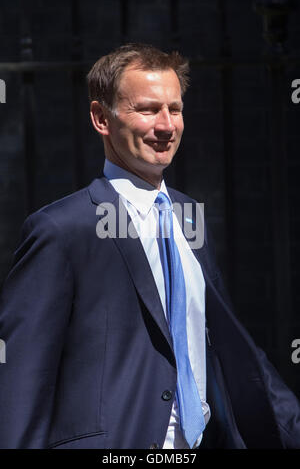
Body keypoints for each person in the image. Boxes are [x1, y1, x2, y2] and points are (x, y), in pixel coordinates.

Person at [0, 43, 299, 449]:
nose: (166, 125)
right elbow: (22, 376)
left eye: (174, 110)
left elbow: (226, 342)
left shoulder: (188, 215)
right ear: (100, 118)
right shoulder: (61, 229)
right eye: (147, 109)